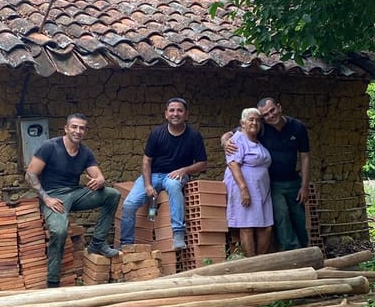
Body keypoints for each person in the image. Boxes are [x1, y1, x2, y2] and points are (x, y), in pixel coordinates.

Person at [25, 113, 121, 287]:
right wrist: (46, 199)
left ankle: (97, 243)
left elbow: (99, 175)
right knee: (59, 231)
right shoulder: (50, 147)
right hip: (53, 196)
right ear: (66, 128)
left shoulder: (85, 152)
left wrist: (99, 181)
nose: (78, 131)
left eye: (82, 128)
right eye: (74, 127)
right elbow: (30, 174)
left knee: (112, 194)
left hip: (76, 194)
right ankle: (53, 281)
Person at [118, 97, 209, 250]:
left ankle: (178, 234)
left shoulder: (194, 135)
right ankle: (126, 243)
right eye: (172, 110)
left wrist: (184, 170)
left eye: (180, 110)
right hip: (154, 175)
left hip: (175, 175)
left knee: (174, 185)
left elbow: (203, 163)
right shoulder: (157, 133)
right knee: (129, 204)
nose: (175, 114)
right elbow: (146, 160)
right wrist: (147, 184)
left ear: (186, 114)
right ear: (166, 114)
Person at [223, 96, 311, 251]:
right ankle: (290, 253)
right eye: (266, 115)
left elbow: (305, 157)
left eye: (272, 110)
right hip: (272, 184)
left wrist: (304, 186)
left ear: (279, 107)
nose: (270, 116)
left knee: (297, 217)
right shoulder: (261, 129)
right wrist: (225, 140)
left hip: (289, 182)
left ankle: (304, 250)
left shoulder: (297, 127)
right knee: (280, 217)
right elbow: (234, 134)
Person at [223, 107, 273, 257]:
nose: (255, 123)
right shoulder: (237, 140)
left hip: (261, 190)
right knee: (247, 226)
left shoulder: (257, 141)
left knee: (266, 226)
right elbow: (233, 164)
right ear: (242, 123)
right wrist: (244, 189)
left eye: (258, 120)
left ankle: (260, 260)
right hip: (244, 187)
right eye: (251, 119)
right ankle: (251, 262)